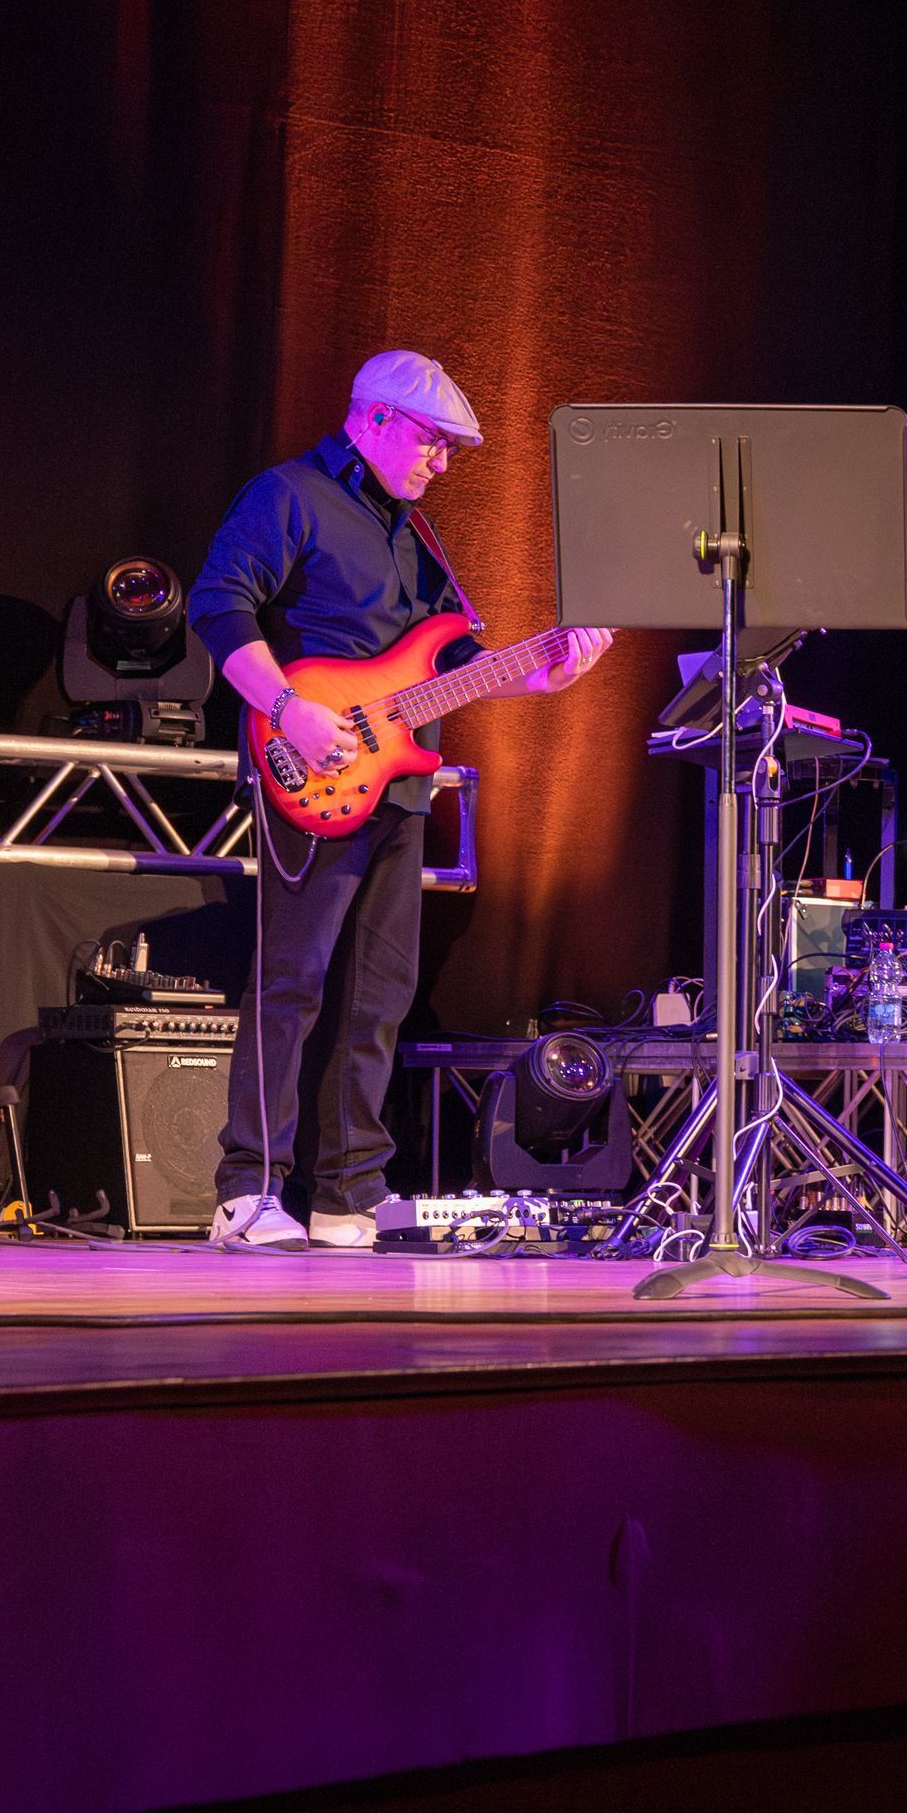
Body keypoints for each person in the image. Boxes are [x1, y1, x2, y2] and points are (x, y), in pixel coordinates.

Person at [188, 350, 612, 1249]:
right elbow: (219, 606)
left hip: (400, 786)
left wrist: (541, 674)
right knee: (291, 982)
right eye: (433, 444)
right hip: (308, 765)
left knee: (379, 996)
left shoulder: (418, 538)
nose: (442, 465)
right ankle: (246, 1190)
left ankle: (347, 1192)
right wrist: (287, 710)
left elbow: (451, 667)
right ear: (376, 420)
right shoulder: (289, 494)